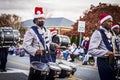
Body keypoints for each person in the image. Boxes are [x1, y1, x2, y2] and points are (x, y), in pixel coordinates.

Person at [23, 7, 60, 80]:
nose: (42, 20)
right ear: (35, 20)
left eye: (43, 18)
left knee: (48, 77)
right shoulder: (31, 31)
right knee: (37, 77)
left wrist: (54, 45)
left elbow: (48, 44)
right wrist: (35, 51)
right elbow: (25, 45)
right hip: (37, 58)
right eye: (40, 18)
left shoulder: (47, 31)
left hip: (48, 58)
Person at [88, 13, 118, 80]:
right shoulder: (97, 33)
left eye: (111, 22)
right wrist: (106, 53)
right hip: (104, 62)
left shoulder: (112, 33)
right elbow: (91, 50)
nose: (111, 23)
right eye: (109, 21)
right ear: (103, 22)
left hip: (113, 62)